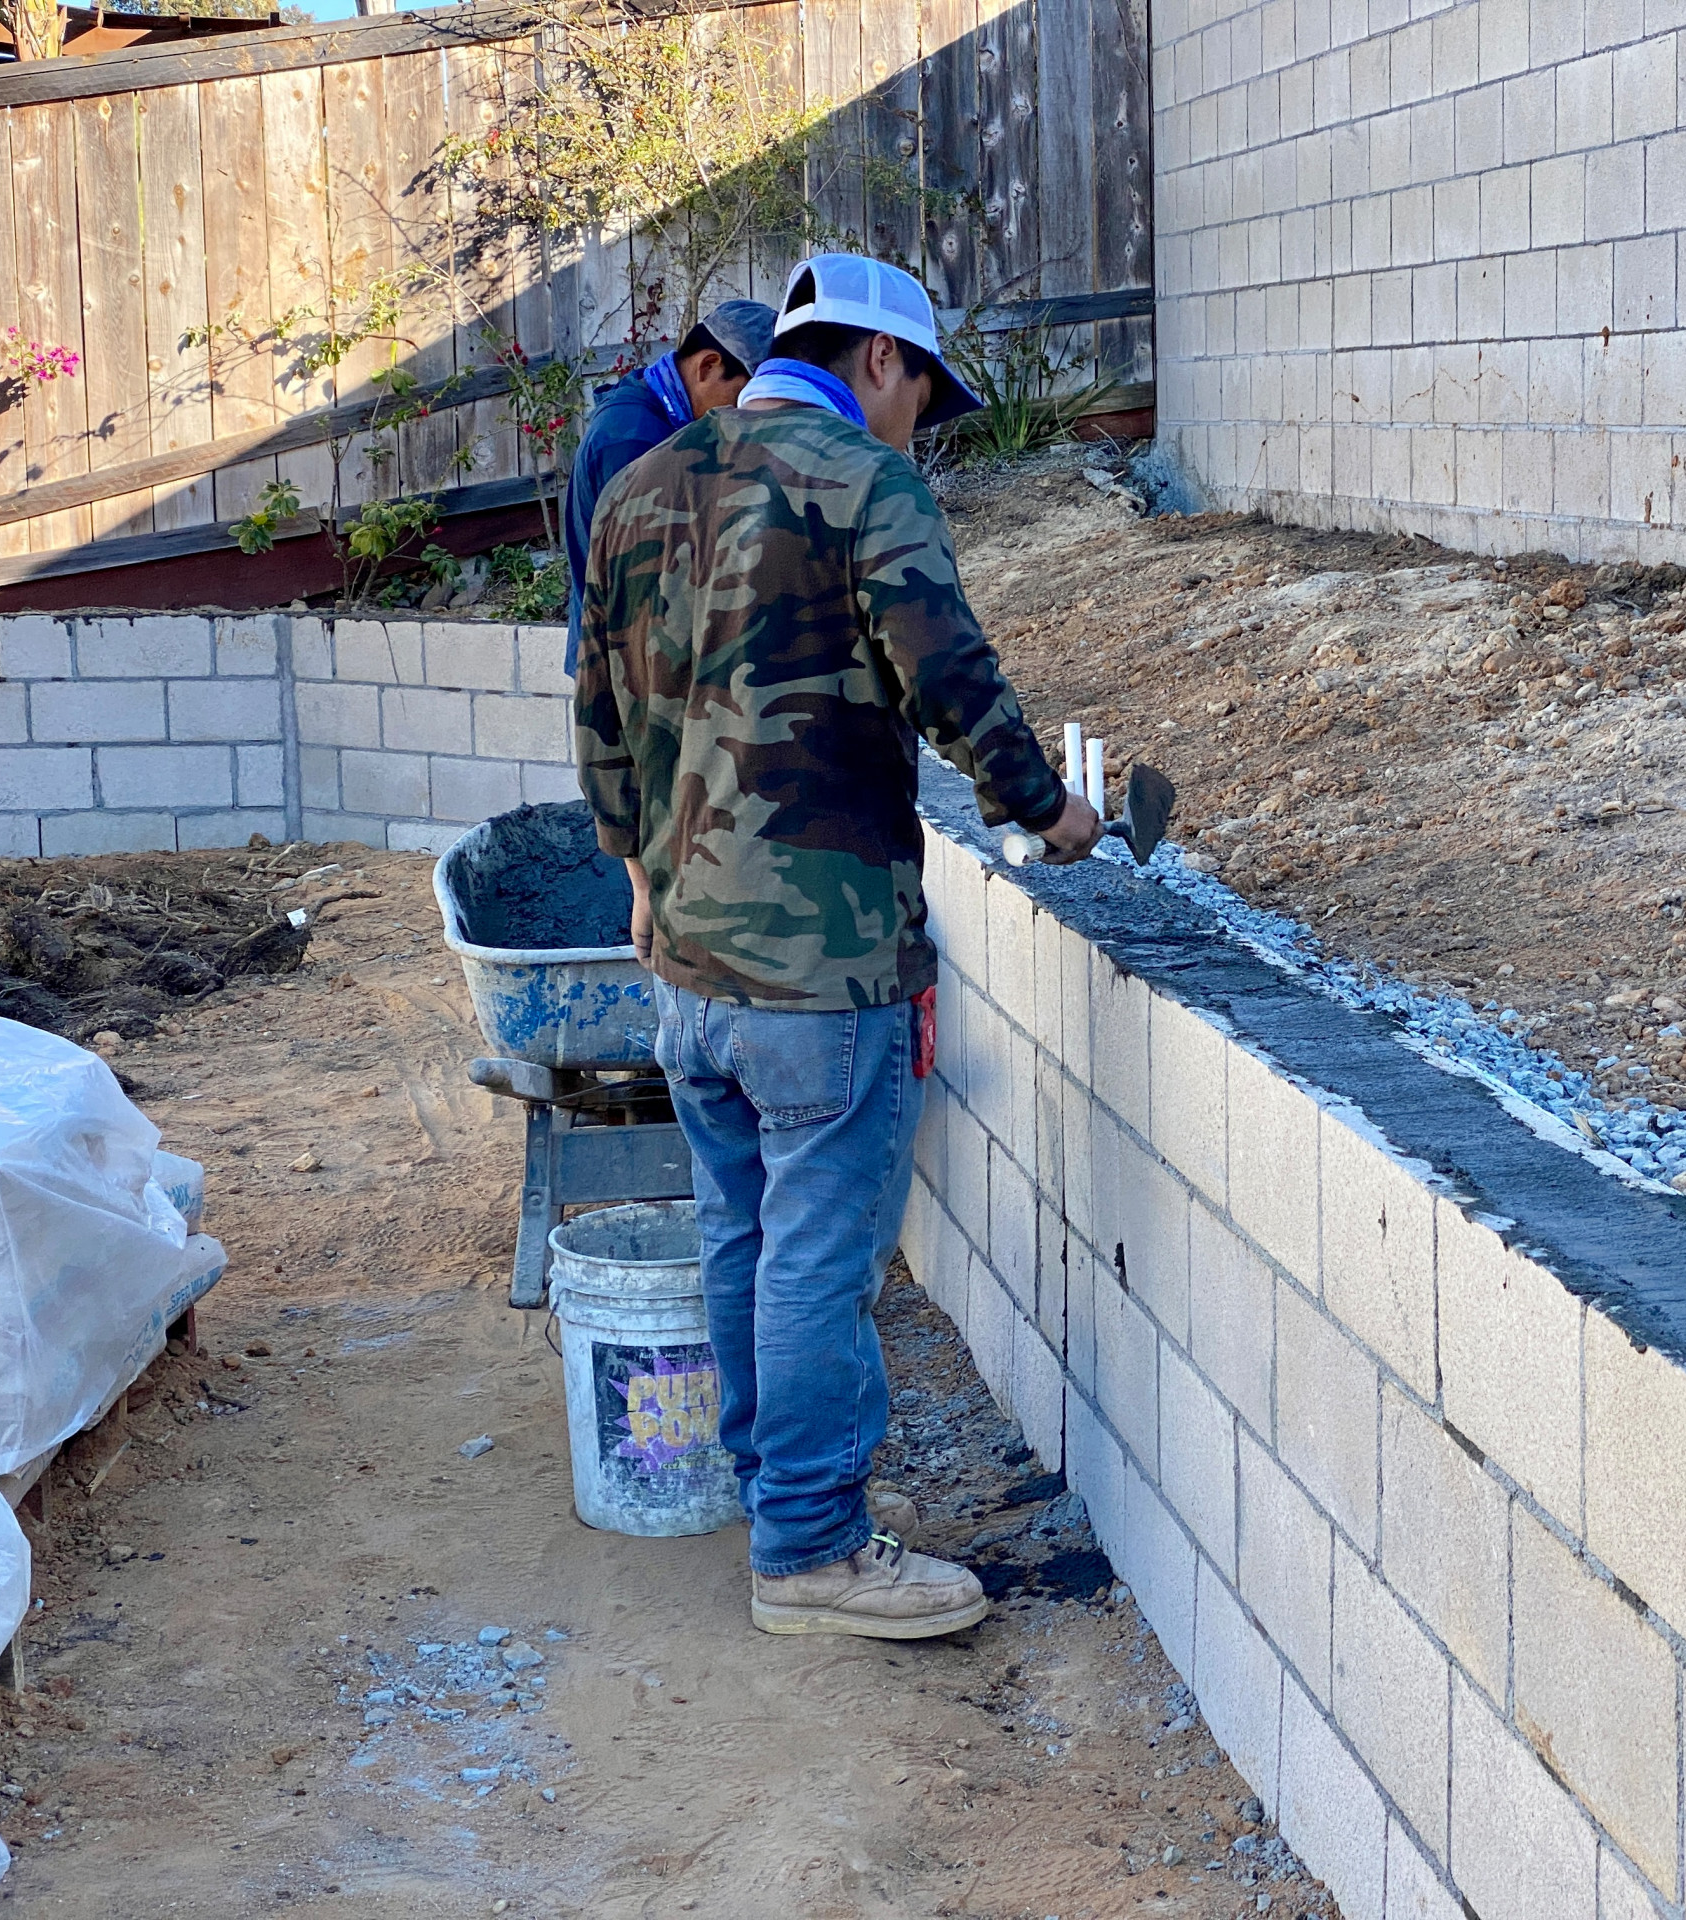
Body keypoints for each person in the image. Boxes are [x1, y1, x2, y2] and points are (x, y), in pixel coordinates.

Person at [574, 254, 1103, 1640]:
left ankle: (774, 1497)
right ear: (882, 360)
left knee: (746, 1233)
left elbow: (599, 709)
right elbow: (950, 677)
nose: (919, 424)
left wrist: (637, 868)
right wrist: (1050, 814)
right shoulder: (864, 484)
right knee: (818, 1255)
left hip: (688, 964)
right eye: (923, 393)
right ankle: (809, 1552)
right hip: (823, 964)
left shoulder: (641, 488)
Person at [561, 298, 777, 674]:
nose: (749, 415)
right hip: (627, 673)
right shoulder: (634, 441)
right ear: (708, 366)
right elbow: (651, 590)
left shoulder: (659, 417)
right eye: (745, 397)